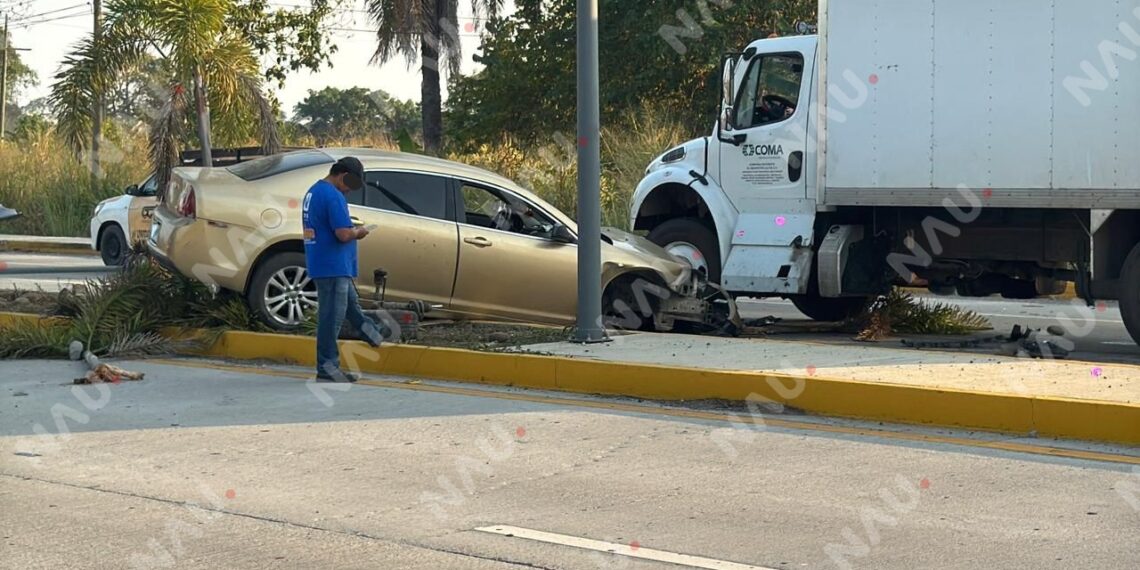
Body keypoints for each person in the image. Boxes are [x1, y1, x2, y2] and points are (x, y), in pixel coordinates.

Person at [302, 156, 384, 383]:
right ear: (343, 175)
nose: (350, 190)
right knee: (331, 318)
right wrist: (360, 232)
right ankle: (327, 367)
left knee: (350, 305)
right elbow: (343, 234)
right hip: (333, 266)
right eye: (351, 184)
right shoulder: (333, 196)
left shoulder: (313, 191)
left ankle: (373, 334)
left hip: (323, 262)